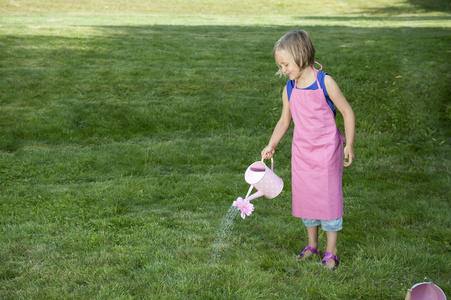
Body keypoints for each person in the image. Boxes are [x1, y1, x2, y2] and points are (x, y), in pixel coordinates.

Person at [261, 30, 355, 270]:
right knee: (306, 199)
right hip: (302, 154)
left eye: (285, 64)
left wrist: (350, 144)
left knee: (329, 199)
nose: (282, 70)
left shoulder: (325, 82)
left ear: (301, 56)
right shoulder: (290, 89)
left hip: (326, 153)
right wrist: (271, 144)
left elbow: (347, 111)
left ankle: (331, 251)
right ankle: (312, 245)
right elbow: (284, 121)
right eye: (280, 66)